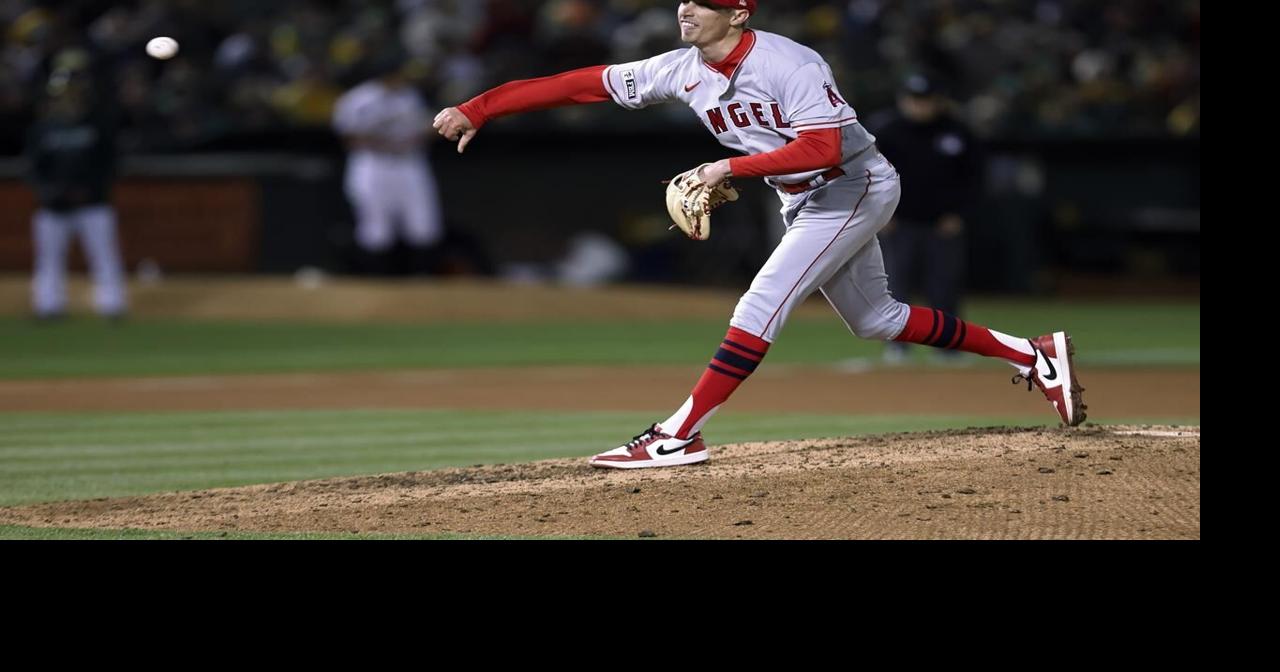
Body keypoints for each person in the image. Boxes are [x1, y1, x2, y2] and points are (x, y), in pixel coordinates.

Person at [433, 0, 1086, 469]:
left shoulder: (789, 63)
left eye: (705, 4)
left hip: (852, 184)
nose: (688, 10)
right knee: (878, 320)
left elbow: (825, 146)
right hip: (803, 197)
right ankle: (1033, 355)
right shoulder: (679, 67)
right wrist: (478, 107)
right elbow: (582, 86)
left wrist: (726, 165)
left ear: (739, 14)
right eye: (686, 0)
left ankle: (680, 433)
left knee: (759, 303)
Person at [868, 72, 981, 364]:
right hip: (897, 222)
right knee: (895, 284)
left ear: (937, 101)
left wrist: (959, 214)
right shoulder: (886, 131)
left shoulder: (957, 132)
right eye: (914, 100)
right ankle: (898, 345)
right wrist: (880, 214)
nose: (919, 106)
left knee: (945, 284)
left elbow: (973, 178)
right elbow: (868, 176)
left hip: (943, 224)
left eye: (925, 100)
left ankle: (949, 347)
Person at [26, 47, 127, 321]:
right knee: (48, 259)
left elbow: (110, 165)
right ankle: (48, 306)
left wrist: (91, 189)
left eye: (71, 93)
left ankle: (111, 306)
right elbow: (34, 168)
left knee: (104, 256)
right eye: (61, 94)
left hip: (93, 203)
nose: (66, 99)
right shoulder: (44, 129)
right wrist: (48, 191)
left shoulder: (97, 124)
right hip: (52, 206)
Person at [333, 57, 444, 275]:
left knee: (423, 226)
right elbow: (346, 136)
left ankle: (420, 280)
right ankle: (375, 281)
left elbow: (423, 129)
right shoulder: (359, 99)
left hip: (409, 163)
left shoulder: (409, 96)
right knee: (375, 229)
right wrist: (385, 143)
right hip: (373, 165)